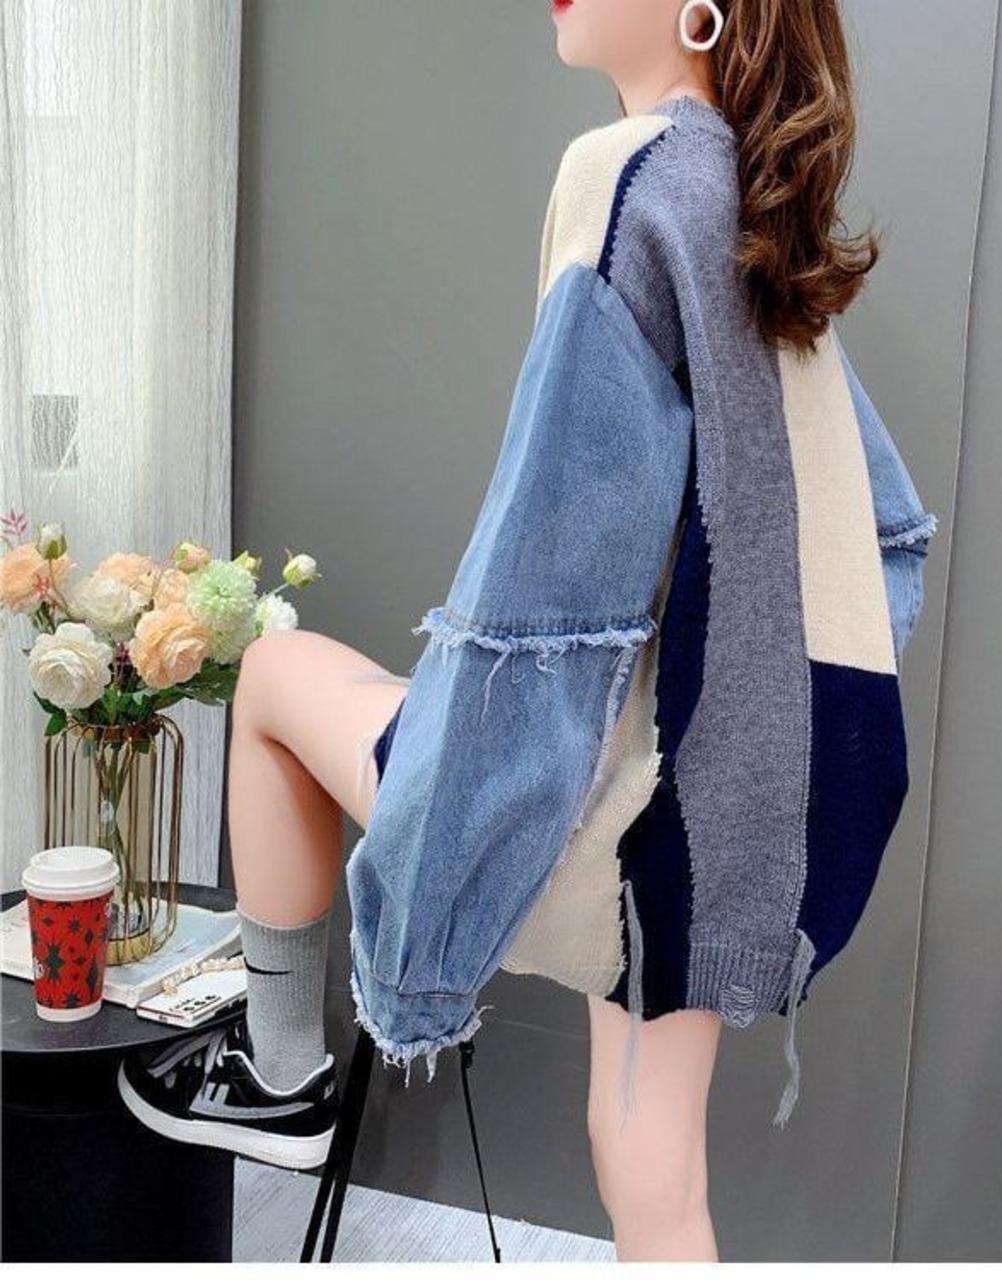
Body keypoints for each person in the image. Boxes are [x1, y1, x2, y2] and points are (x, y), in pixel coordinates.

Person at [117, 0, 937, 1262]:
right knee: (653, 1171)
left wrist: (462, 842)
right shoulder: (752, 200)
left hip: (609, 806)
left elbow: (543, 577)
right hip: (737, 804)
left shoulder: (626, 176)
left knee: (275, 671)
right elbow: (873, 526)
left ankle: (279, 1072)